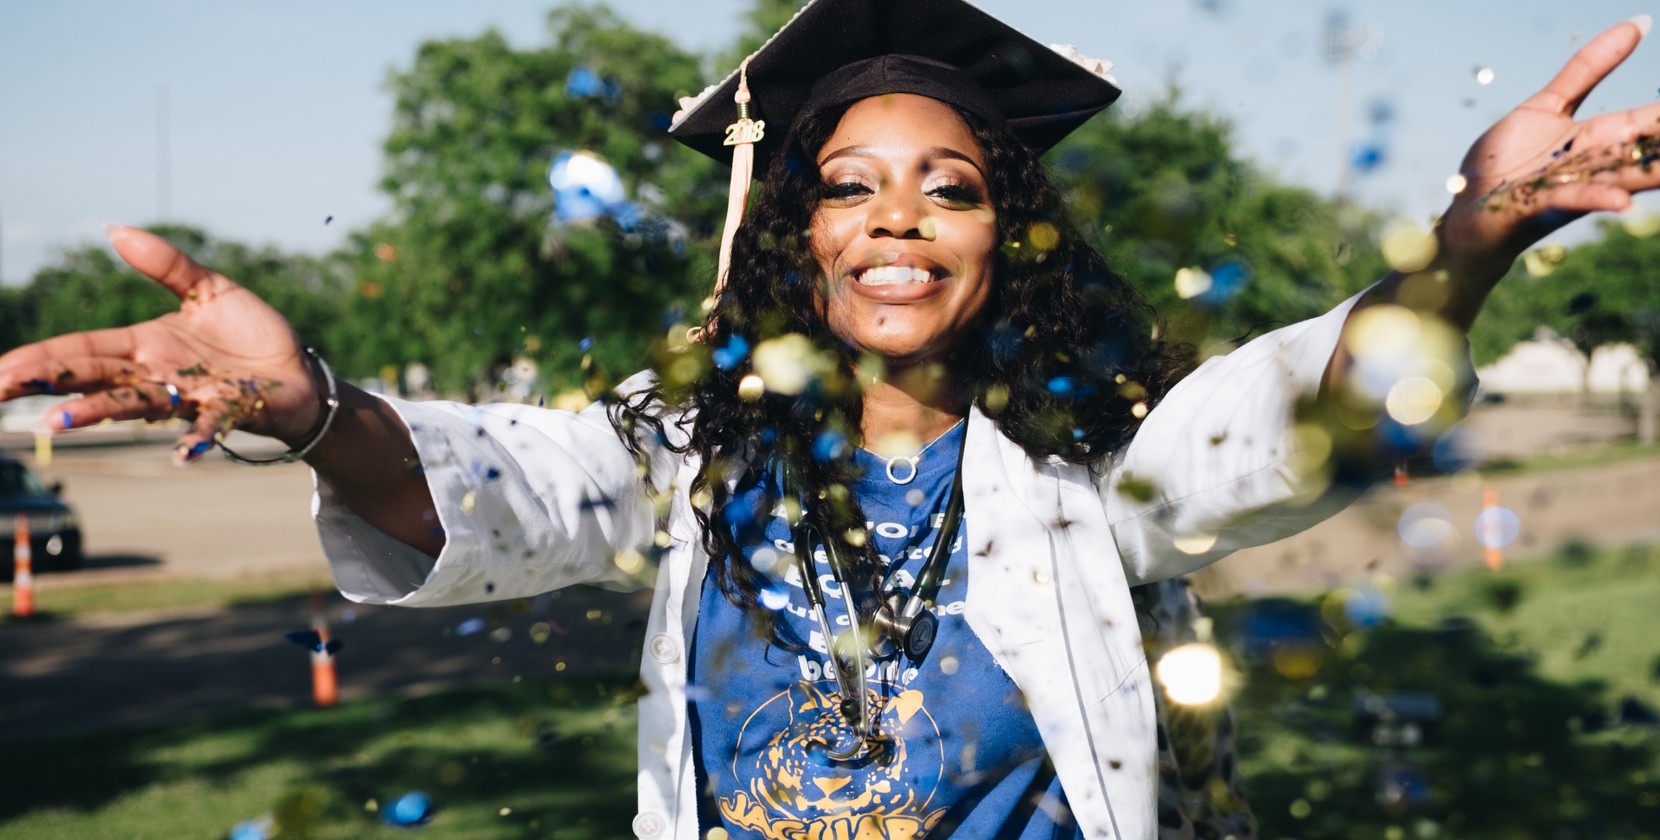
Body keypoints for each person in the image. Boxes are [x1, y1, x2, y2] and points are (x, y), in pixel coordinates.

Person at [4, 0, 1658, 836]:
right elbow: (503, 487)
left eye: (950, 186)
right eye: (849, 185)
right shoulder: (690, 453)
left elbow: (1285, 413)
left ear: (1007, 233)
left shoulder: (1093, 467)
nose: (896, 217)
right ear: (792, 231)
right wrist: (313, 412)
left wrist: (1470, 244)